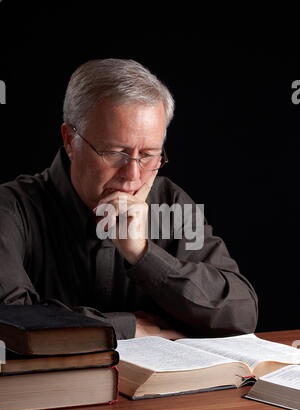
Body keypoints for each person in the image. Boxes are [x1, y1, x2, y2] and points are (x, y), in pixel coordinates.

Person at [0, 58, 258, 339]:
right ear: (70, 140)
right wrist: (128, 328)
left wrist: (142, 254)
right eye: (115, 152)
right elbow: (10, 323)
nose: (132, 175)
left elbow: (240, 313)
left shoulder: (171, 205)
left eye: (147, 155)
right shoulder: (10, 209)